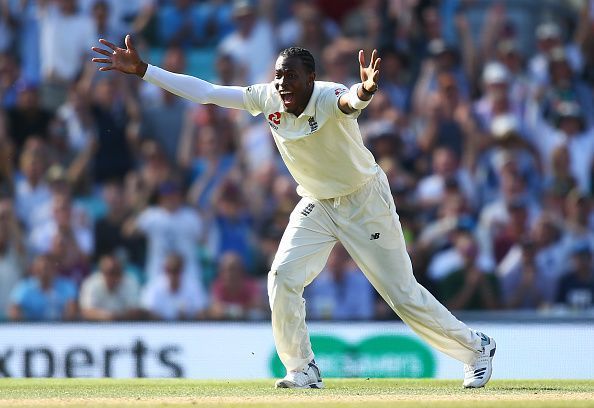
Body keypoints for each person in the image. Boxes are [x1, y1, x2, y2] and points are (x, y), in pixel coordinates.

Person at [92, 34, 496, 389]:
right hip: (318, 202)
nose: (282, 83)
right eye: (279, 75)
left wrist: (366, 90)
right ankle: (302, 368)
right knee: (282, 277)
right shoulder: (268, 97)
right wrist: (146, 70)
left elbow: (349, 101)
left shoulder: (328, 94)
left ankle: (476, 349)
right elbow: (209, 92)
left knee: (401, 295)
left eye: (290, 76)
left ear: (310, 79)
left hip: (363, 200)